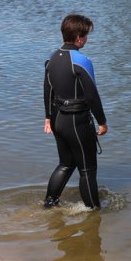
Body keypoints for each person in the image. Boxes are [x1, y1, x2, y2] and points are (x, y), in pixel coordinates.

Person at [43, 14, 108, 209]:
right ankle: (94, 213)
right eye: (86, 35)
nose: (87, 39)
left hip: (59, 119)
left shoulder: (52, 58)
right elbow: (91, 96)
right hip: (77, 120)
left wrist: (48, 118)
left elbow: (47, 90)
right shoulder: (81, 60)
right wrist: (102, 122)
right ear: (79, 37)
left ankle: (49, 204)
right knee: (87, 170)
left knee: (65, 164)